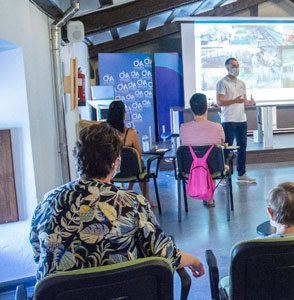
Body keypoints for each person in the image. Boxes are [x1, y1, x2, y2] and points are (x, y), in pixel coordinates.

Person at [29, 123, 204, 281]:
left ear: (78, 159)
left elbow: (39, 254)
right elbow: (164, 254)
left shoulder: (47, 202)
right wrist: (193, 259)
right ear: (115, 163)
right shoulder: (131, 203)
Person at [106, 100, 155, 207]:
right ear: (124, 114)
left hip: (110, 171)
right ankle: (148, 201)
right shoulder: (131, 133)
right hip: (131, 171)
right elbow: (138, 155)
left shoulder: (104, 133)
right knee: (141, 167)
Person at [217, 57, 256, 183]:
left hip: (241, 119)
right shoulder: (222, 82)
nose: (236, 68)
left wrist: (250, 103)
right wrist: (234, 100)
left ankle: (241, 173)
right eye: (233, 65)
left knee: (242, 147)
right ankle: (223, 174)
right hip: (229, 119)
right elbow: (220, 101)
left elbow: (244, 101)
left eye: (237, 65)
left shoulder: (242, 83)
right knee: (227, 148)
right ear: (227, 68)